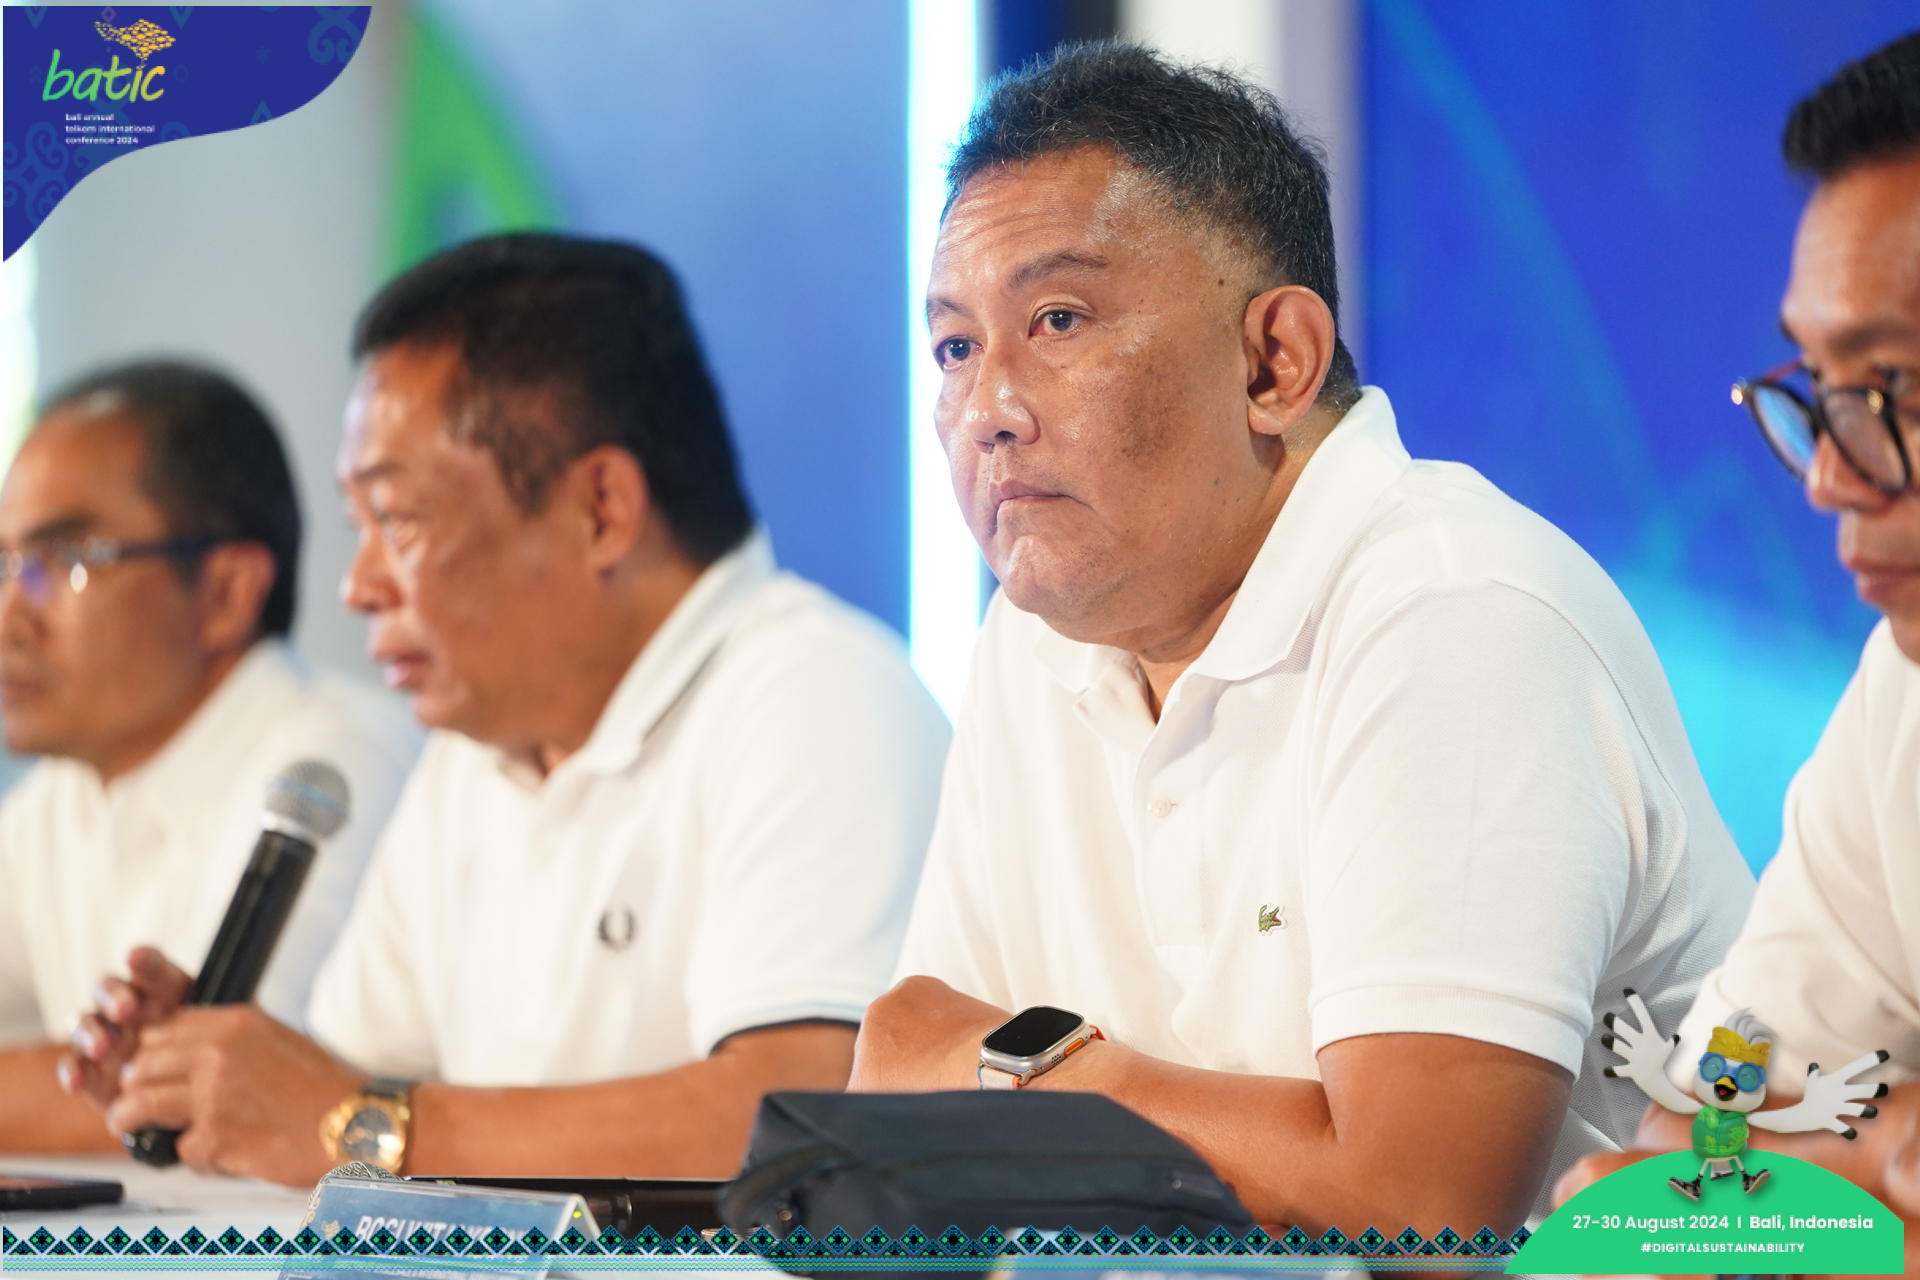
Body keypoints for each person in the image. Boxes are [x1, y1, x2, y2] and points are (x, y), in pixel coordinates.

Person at [846, 43, 1754, 1237]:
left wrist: (1041, 1078)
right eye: (956, 347)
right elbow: (899, 1102)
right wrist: (1006, 1085)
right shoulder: (1032, 643)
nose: (987, 412)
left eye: (1056, 320)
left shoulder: (1453, 610)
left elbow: (1421, 1210)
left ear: (1275, 361)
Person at [85, 234, 951, 1185]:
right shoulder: (475, 754)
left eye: (398, 520)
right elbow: (353, 1077)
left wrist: (356, 1125)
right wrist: (221, 1076)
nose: (359, 585)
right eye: (358, 526)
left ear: (601, 509)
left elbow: (804, 1111)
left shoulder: (819, 694)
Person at [1555, 30, 1920, 1214]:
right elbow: (1700, 1114)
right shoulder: (1902, 690)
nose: (1830, 474)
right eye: (1824, 389)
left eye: (1895, 388)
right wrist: (1890, 1145)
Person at [0, 361, 420, 1151]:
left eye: (70, 558)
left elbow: (233, 1094)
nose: (12, 614)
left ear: (227, 592)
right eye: (5, 564)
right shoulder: (59, 796)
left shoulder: (333, 765)